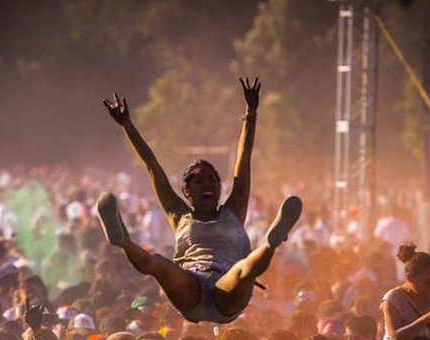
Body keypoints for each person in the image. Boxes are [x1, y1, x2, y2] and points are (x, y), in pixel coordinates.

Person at [97, 78, 302, 324]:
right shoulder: (178, 216)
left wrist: (251, 113)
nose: (206, 183)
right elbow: (153, 167)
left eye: (211, 179)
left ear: (219, 186)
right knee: (159, 264)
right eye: (198, 181)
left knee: (245, 269)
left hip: (227, 290)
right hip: (189, 288)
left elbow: (243, 158)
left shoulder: (234, 209)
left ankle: (271, 243)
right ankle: (124, 241)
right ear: (186, 191)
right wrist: (127, 125)